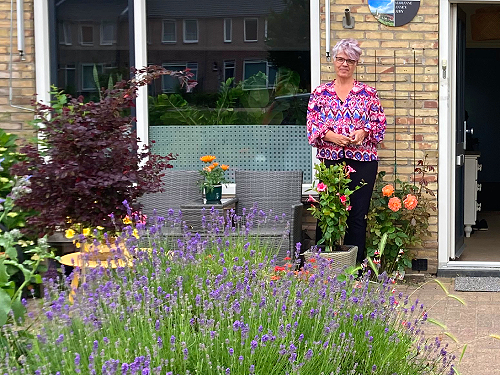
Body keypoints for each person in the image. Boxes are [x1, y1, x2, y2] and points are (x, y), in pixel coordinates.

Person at [306, 38, 386, 263]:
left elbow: (379, 124)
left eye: (350, 60)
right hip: (331, 161)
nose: (345, 64)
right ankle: (323, 266)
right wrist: (331, 136)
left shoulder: (368, 93)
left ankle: (355, 267)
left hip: (363, 161)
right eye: (340, 59)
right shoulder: (321, 93)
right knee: (327, 214)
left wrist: (363, 133)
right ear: (333, 60)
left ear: (356, 63)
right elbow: (312, 126)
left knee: (357, 216)